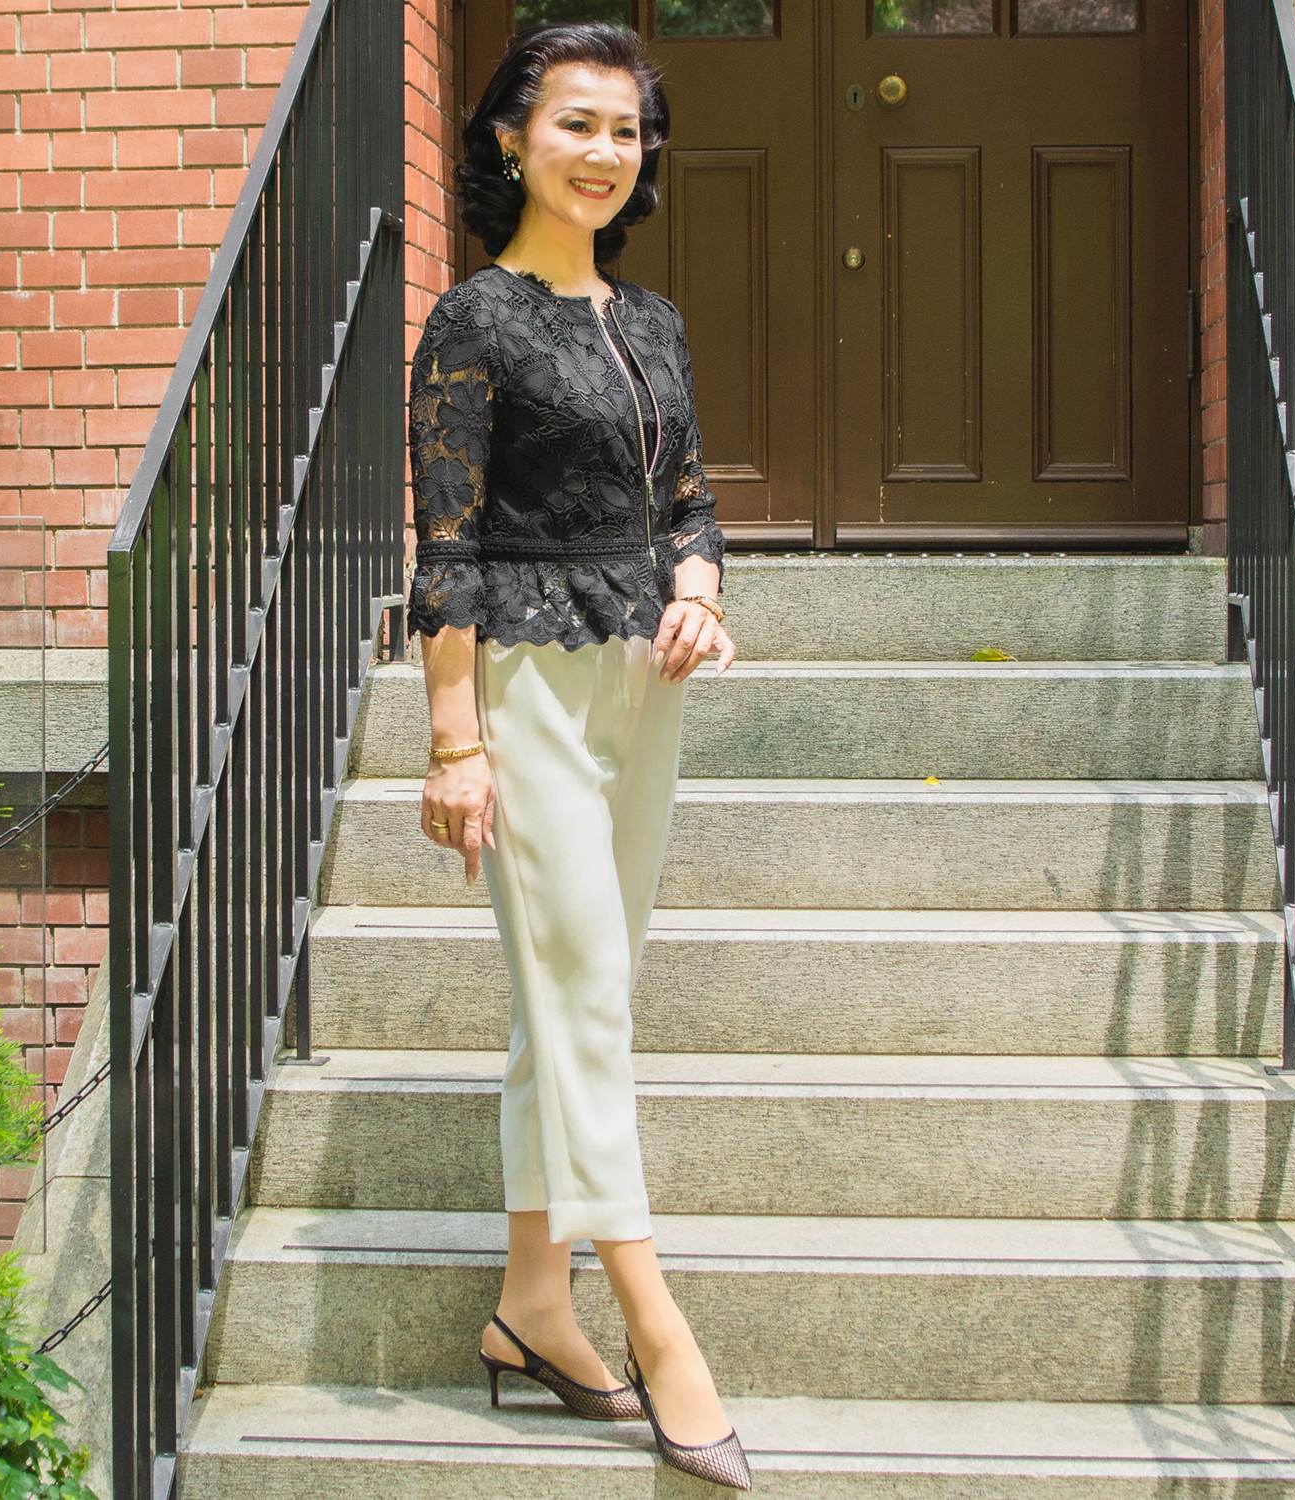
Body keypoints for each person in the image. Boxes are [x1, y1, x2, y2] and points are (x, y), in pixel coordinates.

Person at [405, 20, 750, 1491]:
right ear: (512, 138)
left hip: (640, 686)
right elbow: (445, 548)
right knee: (590, 996)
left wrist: (700, 588)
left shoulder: (652, 320)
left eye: (626, 129)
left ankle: (530, 1306)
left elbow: (689, 500)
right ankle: (659, 1327)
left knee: (565, 1003)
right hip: (529, 686)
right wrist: (454, 744)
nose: (604, 152)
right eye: (576, 123)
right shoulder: (472, 321)